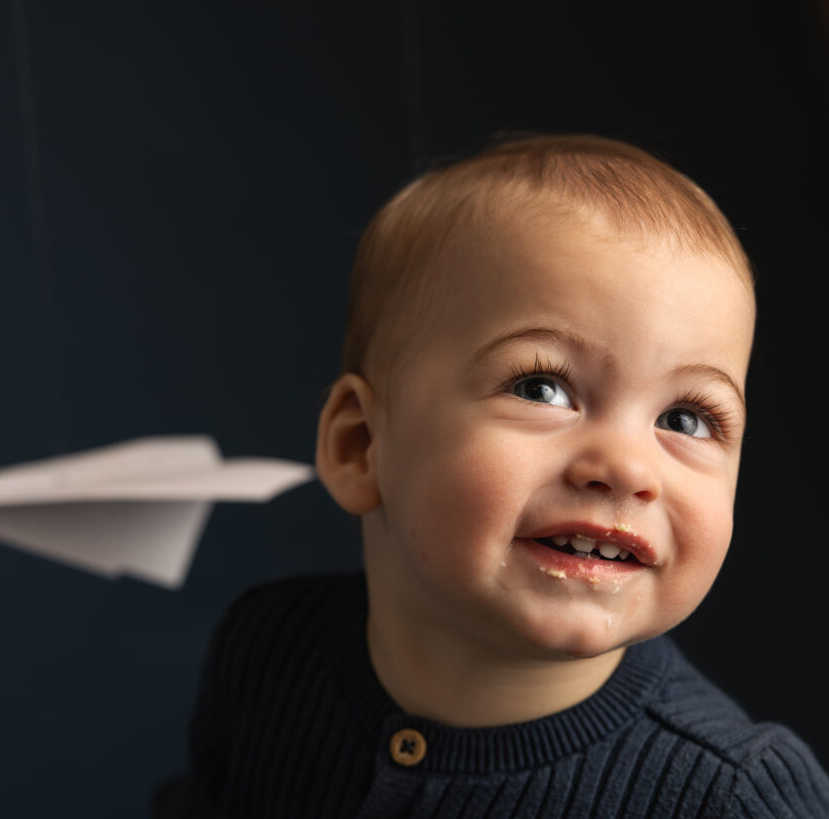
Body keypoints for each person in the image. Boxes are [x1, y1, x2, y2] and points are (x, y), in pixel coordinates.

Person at [153, 134, 829, 817]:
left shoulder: (732, 795)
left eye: (685, 419)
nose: (627, 467)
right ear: (361, 445)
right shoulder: (267, 654)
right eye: (541, 388)